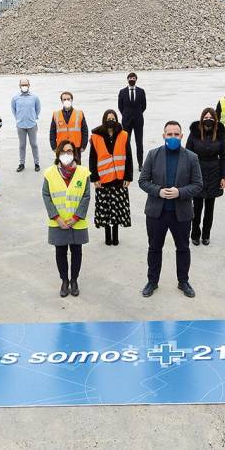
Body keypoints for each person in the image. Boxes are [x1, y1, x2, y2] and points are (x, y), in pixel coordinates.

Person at [139, 121, 203, 298]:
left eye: (176, 134)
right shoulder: (153, 155)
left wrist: (180, 192)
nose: (173, 137)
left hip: (181, 213)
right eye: (169, 134)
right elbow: (143, 181)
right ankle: (152, 281)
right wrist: (158, 191)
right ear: (164, 136)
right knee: (154, 248)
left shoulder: (191, 157)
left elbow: (198, 185)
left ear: (182, 136)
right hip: (156, 213)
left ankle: (183, 281)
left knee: (183, 248)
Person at [43, 140, 91, 298]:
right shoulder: (49, 173)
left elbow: (86, 196)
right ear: (58, 154)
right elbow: (46, 195)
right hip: (58, 222)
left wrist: (77, 217)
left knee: (77, 251)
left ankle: (74, 280)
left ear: (75, 154)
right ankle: (64, 280)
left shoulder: (83, 173)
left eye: (70, 151)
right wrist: (56, 217)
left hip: (77, 222)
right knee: (60, 251)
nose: (67, 154)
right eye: (63, 151)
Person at [89, 109, 133, 246]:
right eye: (108, 118)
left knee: (117, 209)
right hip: (103, 180)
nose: (111, 120)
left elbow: (129, 157)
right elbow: (92, 158)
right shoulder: (96, 137)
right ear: (104, 120)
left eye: (113, 118)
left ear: (117, 120)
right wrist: (94, 178)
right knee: (105, 209)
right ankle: (107, 236)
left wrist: (128, 177)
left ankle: (115, 236)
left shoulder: (124, 135)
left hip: (119, 179)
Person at [186, 108, 225, 246]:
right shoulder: (194, 133)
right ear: (202, 118)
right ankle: (195, 234)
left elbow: (224, 157)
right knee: (196, 207)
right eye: (206, 116)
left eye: (211, 116)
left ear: (215, 119)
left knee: (210, 208)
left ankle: (206, 235)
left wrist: (224, 176)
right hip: (198, 172)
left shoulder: (220, 133)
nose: (208, 118)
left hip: (215, 173)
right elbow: (187, 154)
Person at [11, 78, 42, 173]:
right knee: (22, 145)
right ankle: (22, 164)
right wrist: (18, 118)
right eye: (22, 85)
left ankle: (36, 163)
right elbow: (13, 109)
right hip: (20, 125)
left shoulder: (34, 97)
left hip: (32, 125)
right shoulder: (15, 98)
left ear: (29, 85)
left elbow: (38, 108)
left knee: (34, 144)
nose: (24, 86)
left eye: (26, 84)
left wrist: (33, 117)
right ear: (19, 86)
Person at [117, 72, 147, 171]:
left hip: (138, 120)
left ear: (136, 79)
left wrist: (137, 114)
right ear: (127, 79)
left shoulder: (141, 91)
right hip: (126, 121)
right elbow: (120, 106)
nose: (132, 79)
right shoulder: (122, 92)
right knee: (126, 143)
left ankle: (140, 164)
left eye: (133, 78)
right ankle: (127, 164)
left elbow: (144, 106)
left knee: (139, 142)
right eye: (130, 78)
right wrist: (126, 114)